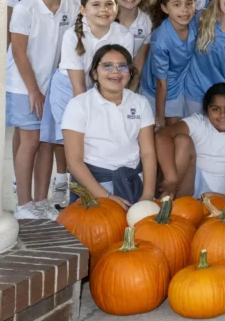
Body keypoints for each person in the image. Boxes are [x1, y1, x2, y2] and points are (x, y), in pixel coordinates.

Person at [41, 0, 135, 204]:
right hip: (71, 89)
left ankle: (101, 191)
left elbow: (120, 73)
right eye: (96, 5)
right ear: (83, 10)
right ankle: (74, 192)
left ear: (116, 8)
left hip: (104, 87)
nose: (103, 10)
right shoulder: (72, 36)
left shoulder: (123, 34)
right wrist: (91, 116)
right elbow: (78, 88)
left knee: (98, 141)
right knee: (76, 142)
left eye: (109, 4)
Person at [6, 0, 79, 219]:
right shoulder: (25, 8)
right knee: (31, 141)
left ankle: (41, 201)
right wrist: (34, 90)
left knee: (48, 142)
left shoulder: (72, 6)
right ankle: (23, 204)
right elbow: (18, 52)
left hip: (54, 85)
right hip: (24, 84)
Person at [61, 44, 157, 208]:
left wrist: (147, 194)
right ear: (94, 74)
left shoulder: (140, 103)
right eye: (107, 66)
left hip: (134, 182)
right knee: (100, 230)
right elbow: (74, 161)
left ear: (130, 73)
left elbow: (148, 153)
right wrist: (106, 196)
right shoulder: (79, 105)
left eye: (122, 66)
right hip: (95, 185)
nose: (115, 71)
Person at [154, 82, 225, 198]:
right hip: (187, 189)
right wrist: (171, 177)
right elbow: (161, 136)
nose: (222, 114)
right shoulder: (198, 123)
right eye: (215, 109)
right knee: (182, 141)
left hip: (220, 195)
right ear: (206, 110)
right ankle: (165, 203)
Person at [141, 0, 197, 130]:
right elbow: (161, 83)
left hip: (180, 85)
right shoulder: (161, 40)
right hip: (156, 90)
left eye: (189, 3)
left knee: (177, 130)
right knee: (159, 131)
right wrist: (159, 119)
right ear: (165, 8)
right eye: (177, 5)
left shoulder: (196, 22)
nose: (184, 10)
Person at [109, 0, 153, 91]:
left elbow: (139, 62)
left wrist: (131, 91)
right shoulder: (105, 19)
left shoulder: (146, 23)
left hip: (128, 85)